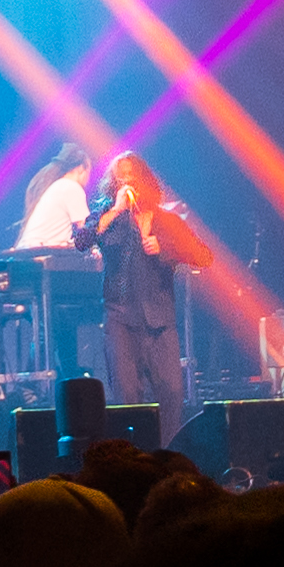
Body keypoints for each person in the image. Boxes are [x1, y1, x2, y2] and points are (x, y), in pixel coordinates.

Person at [73, 151, 211, 439]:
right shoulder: (107, 216)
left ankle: (168, 452)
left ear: (145, 181)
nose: (127, 185)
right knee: (127, 397)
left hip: (160, 321)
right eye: (120, 180)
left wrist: (165, 249)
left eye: (132, 178)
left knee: (171, 392)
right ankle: (133, 455)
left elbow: (203, 255)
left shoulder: (166, 220)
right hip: (120, 319)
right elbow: (82, 241)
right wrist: (116, 211)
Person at [13, 143, 91, 250]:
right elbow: (86, 228)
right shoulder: (71, 187)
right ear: (81, 168)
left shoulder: (59, 185)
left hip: (28, 251)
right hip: (40, 252)